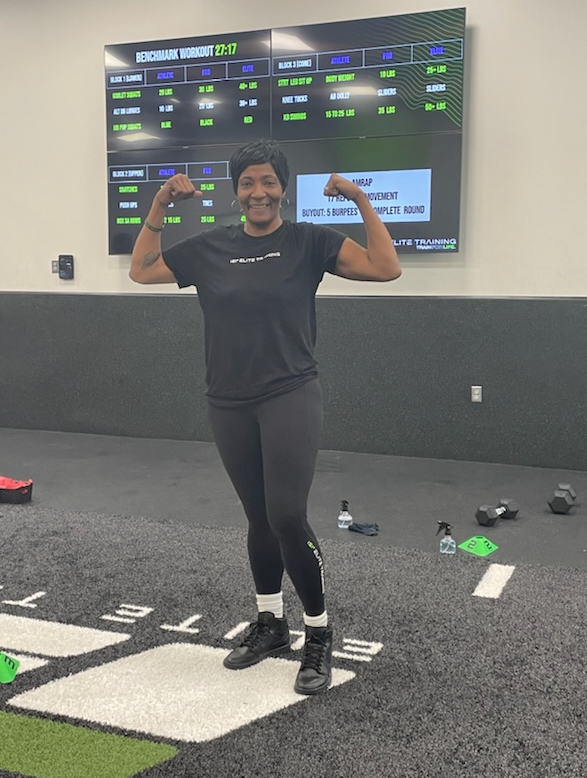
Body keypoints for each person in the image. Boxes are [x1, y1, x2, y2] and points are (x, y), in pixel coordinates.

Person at [129, 140, 401, 695]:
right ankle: (271, 623)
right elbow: (141, 270)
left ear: (283, 188)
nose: (259, 192)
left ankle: (318, 633)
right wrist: (159, 206)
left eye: (269, 182)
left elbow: (386, 267)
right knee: (258, 517)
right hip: (227, 401)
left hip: (289, 394)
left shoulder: (308, 242)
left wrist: (359, 199)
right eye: (249, 182)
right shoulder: (210, 247)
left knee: (286, 515)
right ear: (237, 191)